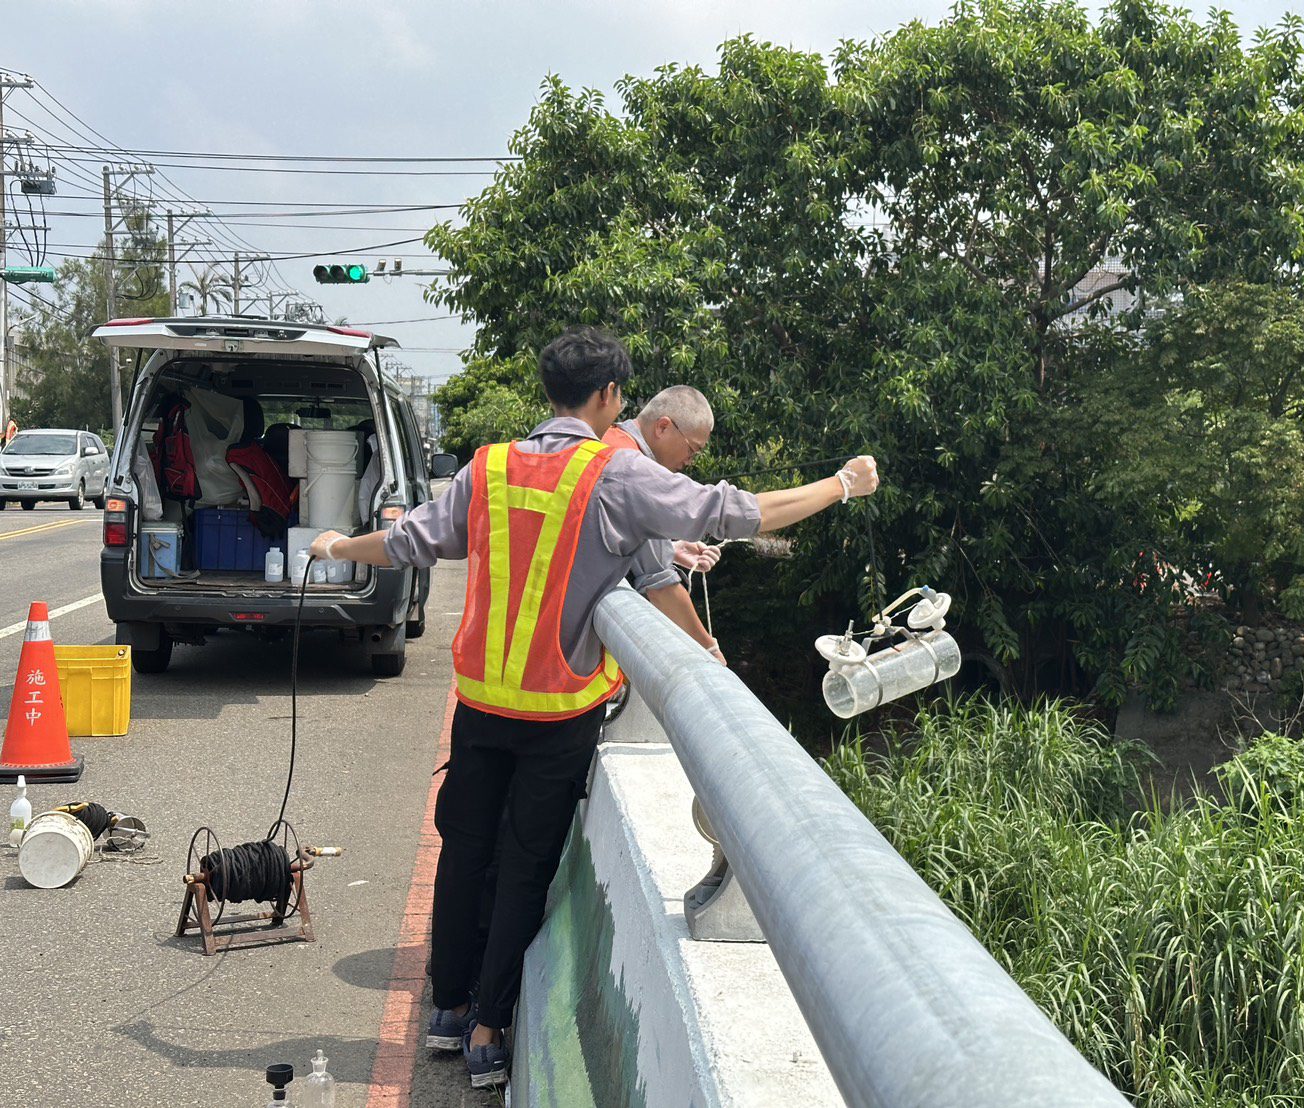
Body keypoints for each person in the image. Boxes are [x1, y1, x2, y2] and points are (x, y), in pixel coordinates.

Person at [310, 325, 878, 1091]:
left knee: (465, 853)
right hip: (557, 714)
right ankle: (487, 1032)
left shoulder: (490, 465)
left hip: (480, 707)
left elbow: (408, 542)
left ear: (550, 390)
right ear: (610, 396)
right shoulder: (616, 472)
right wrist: (840, 485)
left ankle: (447, 1010)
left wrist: (337, 547)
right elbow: (735, 513)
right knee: (523, 868)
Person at [605, 384, 726, 661]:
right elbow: (660, 586)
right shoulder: (635, 468)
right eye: (692, 449)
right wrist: (711, 651)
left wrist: (670, 550)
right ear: (662, 427)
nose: (690, 461)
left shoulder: (608, 440)